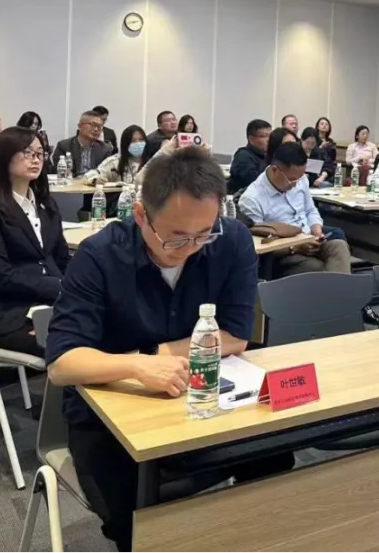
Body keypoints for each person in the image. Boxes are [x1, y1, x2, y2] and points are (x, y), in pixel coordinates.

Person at [45, 147, 294, 552]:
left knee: (273, 454)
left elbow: (234, 335)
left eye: (204, 233)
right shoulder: (99, 256)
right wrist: (139, 368)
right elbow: (62, 363)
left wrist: (155, 355)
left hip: (205, 398)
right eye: (178, 237)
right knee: (135, 512)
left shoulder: (230, 241)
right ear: (141, 215)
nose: (193, 246)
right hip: (108, 417)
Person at [0, 127, 70, 358]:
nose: (35, 159)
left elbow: (60, 258)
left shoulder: (46, 204)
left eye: (40, 153)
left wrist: (78, 287)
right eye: (27, 152)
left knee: (116, 327)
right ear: (4, 157)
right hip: (8, 315)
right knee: (79, 346)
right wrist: (61, 288)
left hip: (50, 304)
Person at [240, 142, 351, 276]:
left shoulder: (299, 178)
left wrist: (316, 228)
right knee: (319, 269)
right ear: (275, 170)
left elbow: (310, 210)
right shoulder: (252, 199)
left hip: (309, 238)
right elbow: (258, 247)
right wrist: (295, 248)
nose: (296, 184)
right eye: (292, 180)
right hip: (283, 253)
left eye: (300, 178)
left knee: (339, 245)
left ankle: (338, 292)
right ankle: (337, 292)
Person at [51, 111, 115, 178]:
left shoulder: (105, 149)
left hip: (95, 185)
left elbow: (106, 174)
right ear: (80, 126)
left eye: (99, 126)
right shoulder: (64, 146)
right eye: (92, 125)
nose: (96, 129)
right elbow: (60, 172)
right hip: (71, 185)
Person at [226, 119, 270, 194]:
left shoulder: (268, 156)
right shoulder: (243, 156)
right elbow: (254, 183)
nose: (269, 140)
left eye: (270, 136)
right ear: (251, 139)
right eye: (264, 136)